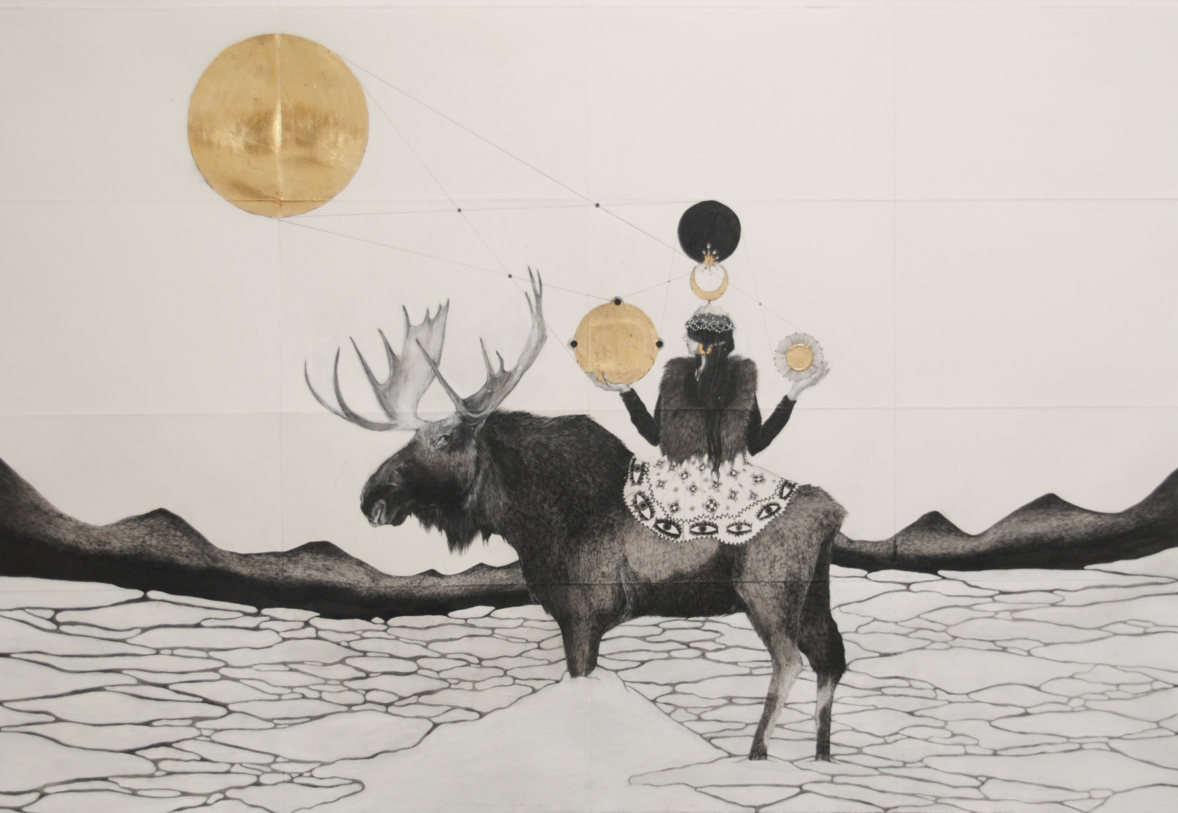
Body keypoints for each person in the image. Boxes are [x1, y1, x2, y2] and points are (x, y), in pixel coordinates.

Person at [589, 306, 828, 543]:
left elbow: (757, 443)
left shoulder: (741, 381)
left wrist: (793, 394)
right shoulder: (674, 376)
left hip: (730, 481)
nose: (684, 339)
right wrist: (626, 392)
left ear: (707, 344)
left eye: (691, 336)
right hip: (675, 480)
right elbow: (654, 436)